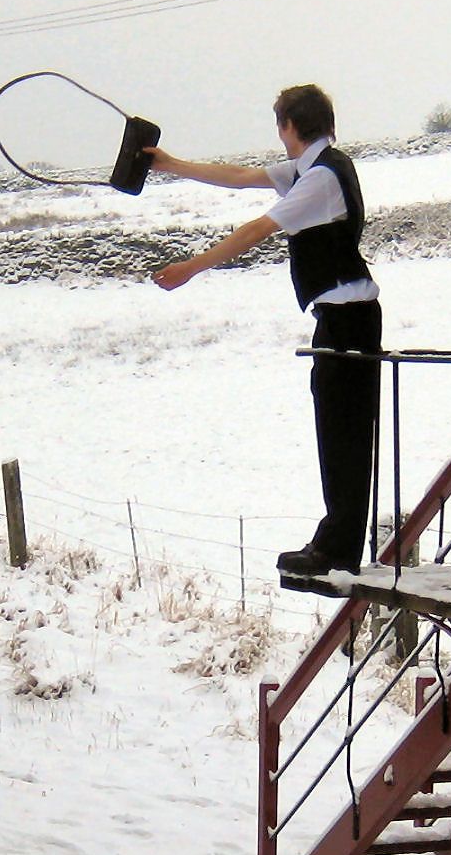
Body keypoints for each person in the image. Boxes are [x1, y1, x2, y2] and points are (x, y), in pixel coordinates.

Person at [146, 84, 380, 577]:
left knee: (343, 436)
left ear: (289, 126)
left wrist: (193, 267)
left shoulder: (318, 180)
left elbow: (256, 229)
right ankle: (336, 540)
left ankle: (338, 548)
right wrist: (172, 165)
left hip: (348, 321)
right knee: (339, 433)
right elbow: (238, 176)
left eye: (280, 125)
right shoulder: (316, 168)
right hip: (342, 319)